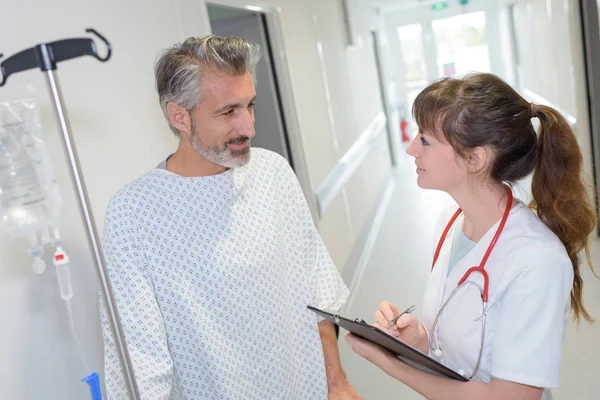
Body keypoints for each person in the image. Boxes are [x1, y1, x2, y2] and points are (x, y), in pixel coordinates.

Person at [100, 35, 361, 399]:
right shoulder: (134, 212)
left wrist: (337, 383)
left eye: (250, 106)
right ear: (180, 116)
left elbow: (317, 289)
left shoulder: (273, 172)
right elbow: (139, 354)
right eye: (228, 112)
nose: (248, 127)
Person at [346, 73, 597, 400]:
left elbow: (512, 396)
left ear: (475, 159)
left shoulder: (537, 260)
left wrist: (391, 364)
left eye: (425, 139)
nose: (411, 149)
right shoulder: (449, 224)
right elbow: (461, 354)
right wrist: (417, 341)